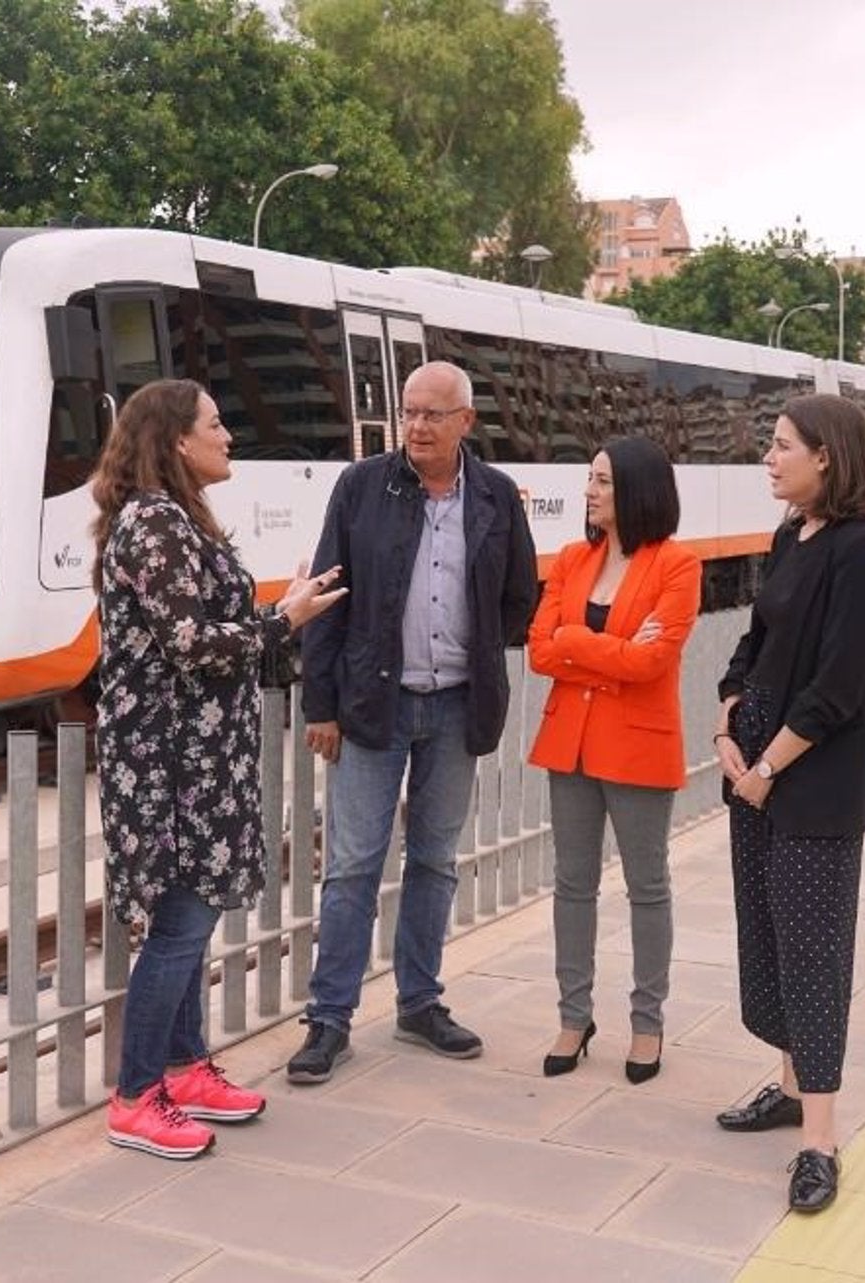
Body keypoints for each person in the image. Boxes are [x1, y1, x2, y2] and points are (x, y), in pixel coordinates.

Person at [92, 379, 345, 1159]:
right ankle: (136, 1095)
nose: (228, 435)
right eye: (215, 422)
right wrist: (284, 620)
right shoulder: (153, 521)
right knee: (181, 922)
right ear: (178, 439)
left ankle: (183, 1067)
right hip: (167, 762)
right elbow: (190, 642)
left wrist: (281, 615)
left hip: (197, 756)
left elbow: (207, 632)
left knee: (188, 919)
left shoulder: (175, 516)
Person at [286, 359, 539, 1084]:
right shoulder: (362, 486)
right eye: (410, 412)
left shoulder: (494, 495)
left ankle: (419, 1002)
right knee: (352, 865)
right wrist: (321, 705)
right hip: (375, 705)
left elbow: (520, 594)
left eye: (434, 414)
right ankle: (329, 1019)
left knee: (434, 860)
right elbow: (327, 596)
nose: (418, 426)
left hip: (458, 704)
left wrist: (478, 649)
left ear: (466, 421)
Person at [711, 393, 865, 1215]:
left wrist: (767, 766)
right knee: (772, 939)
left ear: (827, 455)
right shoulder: (791, 536)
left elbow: (839, 684)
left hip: (812, 785)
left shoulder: (861, 552)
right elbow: (757, 641)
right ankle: (789, 1089)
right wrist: (728, 711)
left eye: (782, 445)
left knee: (815, 956)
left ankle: (820, 1137)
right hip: (754, 769)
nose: (769, 457)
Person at [526, 437, 699, 1084]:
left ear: (636, 489)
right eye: (590, 479)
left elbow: (653, 661)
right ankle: (574, 1018)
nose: (589, 491)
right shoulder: (573, 558)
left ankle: (647, 1025)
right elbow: (539, 649)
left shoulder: (678, 566)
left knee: (647, 887)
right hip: (569, 744)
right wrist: (603, 647)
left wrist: (575, 641)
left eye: (601, 480)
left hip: (638, 746)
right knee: (572, 884)